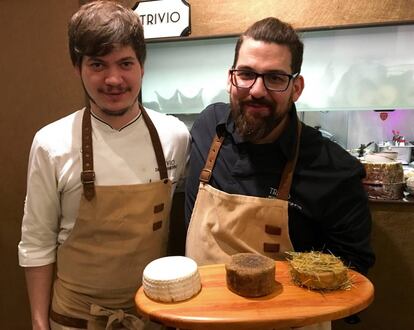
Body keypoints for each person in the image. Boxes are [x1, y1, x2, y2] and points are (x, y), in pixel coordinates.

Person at [185, 17, 375, 330]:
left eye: (274, 78)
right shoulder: (208, 128)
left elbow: (353, 271)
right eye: (246, 74)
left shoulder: (333, 169)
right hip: (205, 319)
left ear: (296, 88)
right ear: (230, 78)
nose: (256, 90)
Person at [18, 1, 190, 329]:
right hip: (74, 319)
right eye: (98, 64)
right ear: (77, 68)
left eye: (125, 63)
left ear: (142, 65)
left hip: (152, 316)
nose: (114, 79)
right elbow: (36, 243)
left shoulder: (174, 136)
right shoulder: (50, 143)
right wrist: (39, 324)